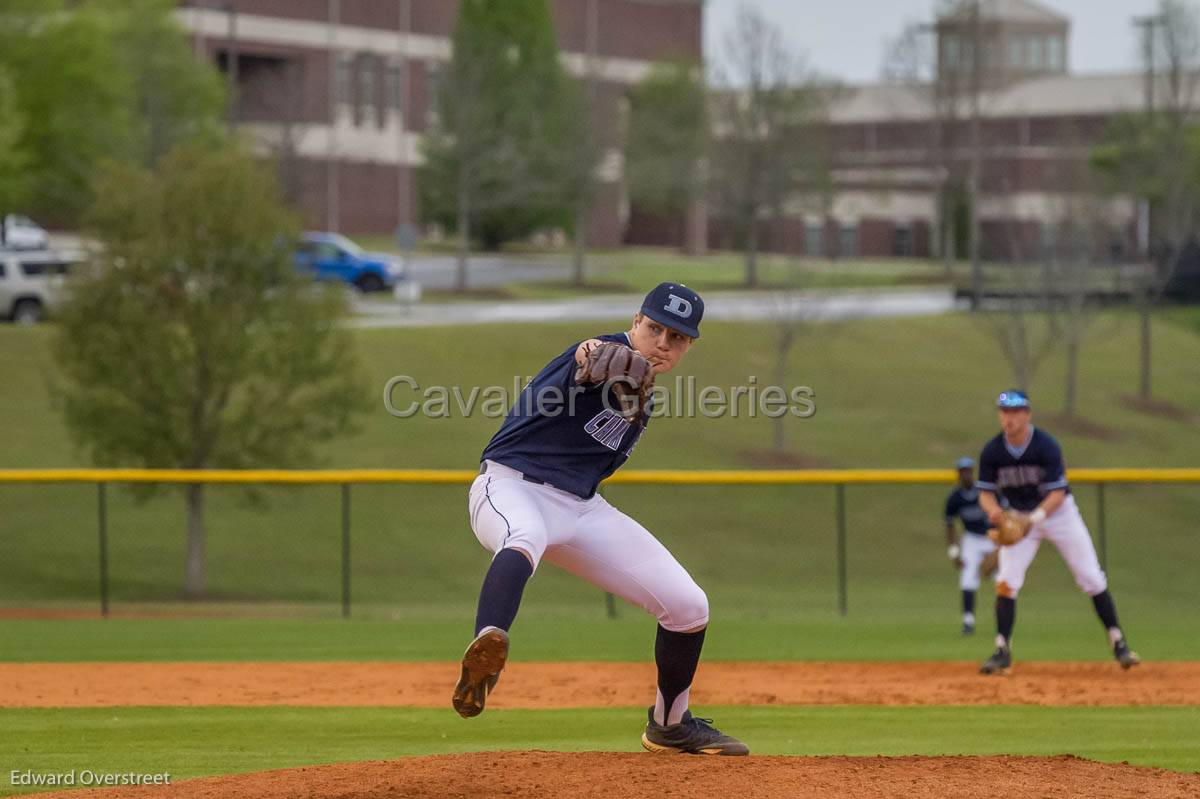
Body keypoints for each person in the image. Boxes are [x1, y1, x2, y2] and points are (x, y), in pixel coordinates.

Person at [451, 282, 749, 756]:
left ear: (689, 345)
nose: (662, 344)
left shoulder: (644, 392)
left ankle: (669, 725)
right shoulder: (602, 354)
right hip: (510, 486)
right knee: (525, 535)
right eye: (655, 328)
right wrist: (597, 354)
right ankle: (488, 644)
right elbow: (589, 356)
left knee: (688, 606)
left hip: (581, 509)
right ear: (636, 321)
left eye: (677, 338)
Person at [976, 389, 1140, 675]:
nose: (1009, 418)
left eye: (1016, 412)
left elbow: (1058, 494)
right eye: (1005, 412)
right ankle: (1002, 651)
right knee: (1006, 582)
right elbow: (986, 494)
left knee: (1090, 577)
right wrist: (995, 513)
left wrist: (1033, 520)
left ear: (1027, 414)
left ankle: (1119, 642)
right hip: (1017, 518)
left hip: (1058, 515)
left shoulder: (1045, 445)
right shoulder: (993, 451)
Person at [944, 456, 996, 635]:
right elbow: (950, 527)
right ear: (958, 474)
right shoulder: (954, 499)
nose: (966, 475)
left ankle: (1003, 619)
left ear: (973, 472)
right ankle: (968, 622)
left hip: (991, 537)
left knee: (1003, 579)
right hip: (971, 539)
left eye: (968, 471)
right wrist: (954, 554)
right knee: (967, 579)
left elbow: (1003, 515)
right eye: (962, 472)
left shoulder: (985, 492)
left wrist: (999, 549)